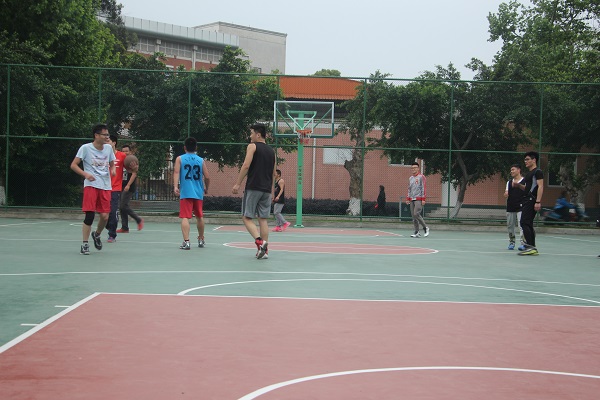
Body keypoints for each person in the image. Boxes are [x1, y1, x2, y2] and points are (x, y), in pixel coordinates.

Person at [70, 124, 116, 255]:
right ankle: (85, 244)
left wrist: (113, 170)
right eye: (105, 135)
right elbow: (73, 165)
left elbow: (112, 163)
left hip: (105, 185)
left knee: (105, 216)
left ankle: (97, 234)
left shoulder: (108, 148)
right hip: (91, 185)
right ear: (96, 135)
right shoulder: (85, 148)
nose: (107, 137)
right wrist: (85, 174)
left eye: (108, 135)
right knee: (89, 215)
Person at [232, 123, 276, 260]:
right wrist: (271, 190)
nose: (250, 136)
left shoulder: (252, 146)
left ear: (258, 134)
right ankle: (265, 251)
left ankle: (259, 242)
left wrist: (237, 183)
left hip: (253, 187)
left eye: (251, 133)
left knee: (246, 217)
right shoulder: (272, 151)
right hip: (266, 189)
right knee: (263, 219)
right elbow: (274, 173)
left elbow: (246, 165)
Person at [173, 137, 210, 250]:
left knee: (185, 217)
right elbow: (207, 177)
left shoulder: (180, 159)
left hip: (186, 192)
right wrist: (206, 188)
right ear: (196, 147)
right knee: (199, 216)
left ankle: (187, 241)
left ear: (184, 147)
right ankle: (201, 239)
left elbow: (176, 172)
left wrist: (175, 186)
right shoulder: (201, 160)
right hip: (198, 192)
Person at [513, 151, 544, 256]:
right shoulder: (529, 174)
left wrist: (538, 201)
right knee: (528, 223)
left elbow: (540, 186)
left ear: (534, 160)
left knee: (524, 222)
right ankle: (532, 247)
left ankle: (530, 246)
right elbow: (528, 188)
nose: (525, 161)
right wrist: (518, 185)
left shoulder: (537, 172)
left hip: (532, 200)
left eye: (527, 159)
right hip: (526, 200)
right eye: (525, 160)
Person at [117, 144, 144, 233]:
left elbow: (134, 174)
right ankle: (125, 227)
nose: (125, 153)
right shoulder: (120, 160)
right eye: (123, 151)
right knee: (122, 207)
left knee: (123, 205)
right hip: (121, 185)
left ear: (130, 152)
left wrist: (128, 185)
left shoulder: (132, 161)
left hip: (129, 186)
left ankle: (138, 219)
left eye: (127, 151)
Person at [106, 135, 127, 243]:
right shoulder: (103, 155)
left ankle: (112, 234)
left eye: (108, 141)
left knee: (113, 211)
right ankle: (108, 226)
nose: (106, 143)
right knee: (103, 213)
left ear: (114, 143)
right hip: (103, 187)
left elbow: (129, 168)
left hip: (115, 188)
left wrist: (133, 167)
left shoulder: (122, 155)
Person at [504, 164, 525, 250]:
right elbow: (506, 192)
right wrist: (506, 194)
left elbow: (527, 190)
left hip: (521, 206)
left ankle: (523, 243)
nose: (511, 171)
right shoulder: (509, 182)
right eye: (511, 170)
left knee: (521, 225)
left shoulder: (524, 181)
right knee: (510, 225)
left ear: (518, 170)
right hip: (510, 206)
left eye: (513, 169)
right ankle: (512, 242)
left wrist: (519, 185)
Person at [406, 162, 430, 238]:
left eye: (415, 168)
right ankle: (417, 232)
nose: (413, 169)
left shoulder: (421, 177)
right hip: (411, 199)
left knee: (416, 213)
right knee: (413, 216)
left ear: (418, 168)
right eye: (412, 168)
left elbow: (423, 188)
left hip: (419, 198)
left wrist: (423, 199)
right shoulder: (410, 178)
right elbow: (409, 189)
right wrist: (408, 198)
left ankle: (425, 227)